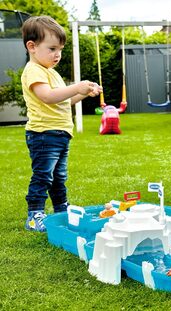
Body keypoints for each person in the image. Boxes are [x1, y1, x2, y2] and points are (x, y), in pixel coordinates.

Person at [21, 16, 102, 232]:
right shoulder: (34, 70)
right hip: (43, 134)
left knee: (59, 176)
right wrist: (76, 87)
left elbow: (63, 100)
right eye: (52, 48)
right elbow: (47, 96)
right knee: (43, 175)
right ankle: (34, 214)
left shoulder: (51, 72)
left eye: (61, 49)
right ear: (32, 46)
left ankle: (61, 210)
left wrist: (84, 94)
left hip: (60, 133)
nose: (58, 54)